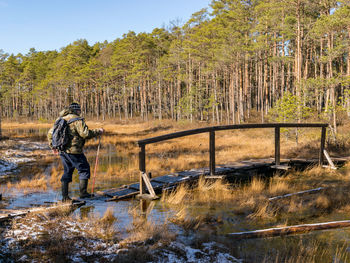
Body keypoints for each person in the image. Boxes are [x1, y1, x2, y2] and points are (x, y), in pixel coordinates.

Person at [47, 102, 104, 201]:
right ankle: (83, 194)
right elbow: (85, 134)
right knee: (84, 169)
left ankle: (65, 197)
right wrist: (97, 132)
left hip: (62, 151)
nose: (80, 111)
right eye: (79, 110)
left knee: (67, 171)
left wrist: (53, 147)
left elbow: (50, 133)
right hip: (74, 151)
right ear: (76, 110)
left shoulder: (60, 119)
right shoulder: (77, 120)